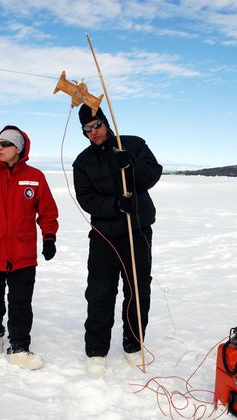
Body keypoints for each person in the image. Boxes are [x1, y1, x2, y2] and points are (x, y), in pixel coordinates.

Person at [73, 104, 162, 376]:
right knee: (100, 292)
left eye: (96, 125)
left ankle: (133, 345)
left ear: (105, 122)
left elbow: (153, 174)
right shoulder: (83, 161)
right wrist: (115, 205)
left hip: (137, 231)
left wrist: (130, 165)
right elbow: (86, 198)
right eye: (87, 129)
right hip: (104, 235)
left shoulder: (132, 145)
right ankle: (96, 350)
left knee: (137, 291)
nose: (93, 132)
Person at [0, 125, 58, 369]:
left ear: (18, 148)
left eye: (5, 144)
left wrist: (49, 237)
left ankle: (19, 347)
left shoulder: (36, 176)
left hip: (23, 254)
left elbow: (47, 211)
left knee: (20, 303)